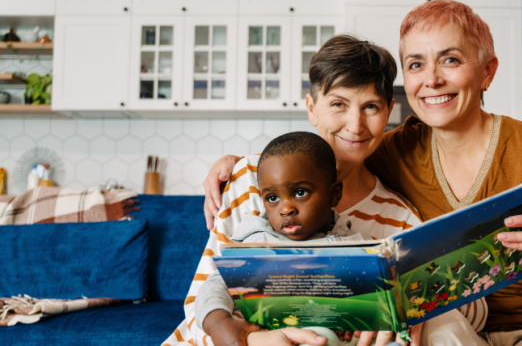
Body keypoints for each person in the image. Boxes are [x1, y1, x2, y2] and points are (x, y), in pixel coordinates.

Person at [203, 0, 522, 345]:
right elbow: (328, 159)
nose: (431, 80)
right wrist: (244, 166)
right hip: (452, 330)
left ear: (487, 72)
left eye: (451, 59)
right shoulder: (392, 149)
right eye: (416, 64)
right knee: (440, 325)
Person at [167, 34, 491, 346]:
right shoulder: (250, 177)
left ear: (389, 112)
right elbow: (200, 304)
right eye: (338, 104)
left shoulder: (399, 219)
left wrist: (415, 306)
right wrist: (251, 338)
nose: (355, 125)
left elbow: (468, 312)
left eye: (371, 107)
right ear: (311, 107)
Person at [197, 131, 373, 345]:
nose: (286, 209)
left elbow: (374, 301)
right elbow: (215, 286)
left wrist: (359, 319)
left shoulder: (358, 245)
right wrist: (219, 324)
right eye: (272, 198)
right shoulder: (258, 245)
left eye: (300, 193)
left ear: (334, 194)